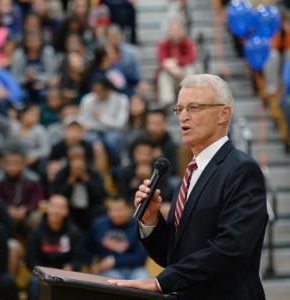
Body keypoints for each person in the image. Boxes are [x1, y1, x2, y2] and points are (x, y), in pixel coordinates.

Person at [108, 74, 268, 299]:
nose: (183, 116)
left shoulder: (241, 169)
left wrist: (161, 282)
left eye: (194, 107)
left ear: (224, 114)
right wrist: (152, 221)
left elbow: (232, 248)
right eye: (179, 109)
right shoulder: (192, 171)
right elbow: (173, 256)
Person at [25, 194, 84, 300]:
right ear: (47, 208)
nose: (57, 210)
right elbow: (31, 261)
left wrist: (72, 266)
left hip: (66, 273)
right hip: (42, 273)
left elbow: (78, 258)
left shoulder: (74, 233)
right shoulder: (36, 233)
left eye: (61, 207)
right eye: (53, 206)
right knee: (33, 282)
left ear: (67, 211)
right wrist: (45, 272)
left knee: (78, 282)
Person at [84, 195, 150, 280]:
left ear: (129, 209)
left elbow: (140, 257)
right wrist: (91, 263)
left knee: (144, 279)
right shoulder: (98, 224)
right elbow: (86, 247)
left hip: (134, 268)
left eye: (119, 210)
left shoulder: (138, 226)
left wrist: (113, 261)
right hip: (107, 269)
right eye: (111, 210)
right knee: (116, 285)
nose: (114, 214)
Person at [156, 18, 197, 109]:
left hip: (183, 73)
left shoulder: (187, 43)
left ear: (181, 31)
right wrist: (172, 68)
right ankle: (167, 102)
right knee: (163, 74)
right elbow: (162, 60)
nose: (172, 32)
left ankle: (191, 97)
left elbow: (191, 58)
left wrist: (176, 61)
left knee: (190, 69)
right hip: (171, 74)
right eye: (170, 30)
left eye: (175, 30)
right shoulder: (163, 44)